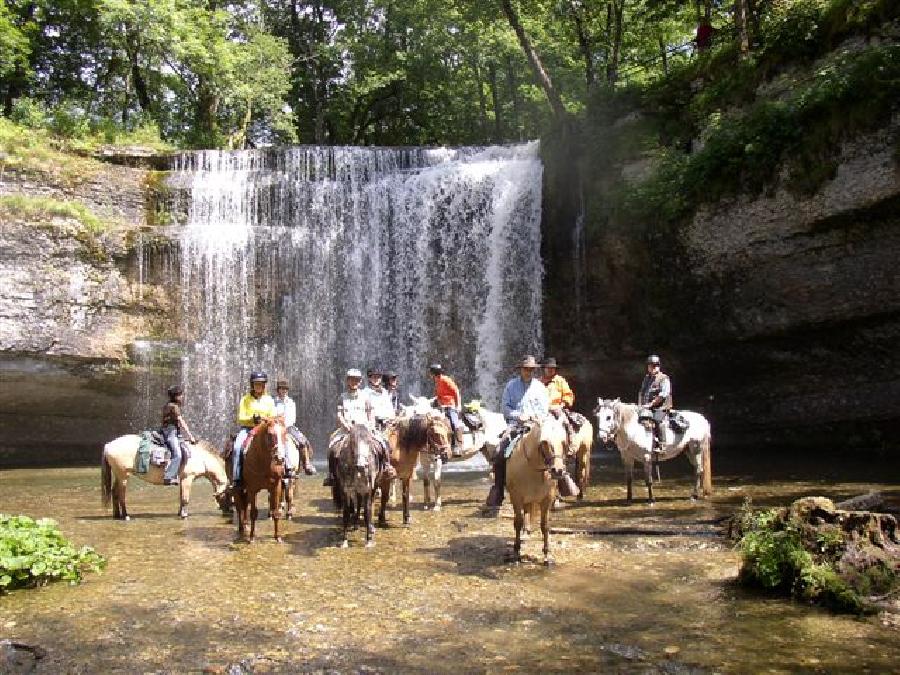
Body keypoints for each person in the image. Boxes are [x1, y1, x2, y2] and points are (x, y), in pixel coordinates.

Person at [485, 355, 550, 509]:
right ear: (521, 369)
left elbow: (544, 409)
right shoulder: (511, 386)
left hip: (536, 426)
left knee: (553, 450)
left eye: (532, 369)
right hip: (516, 425)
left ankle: (557, 485)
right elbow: (505, 408)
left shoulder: (540, 388)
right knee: (500, 452)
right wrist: (518, 416)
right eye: (526, 369)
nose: (529, 372)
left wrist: (535, 418)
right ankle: (498, 490)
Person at [323, 368, 396, 487]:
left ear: (360, 382)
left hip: (364, 429)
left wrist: (371, 426)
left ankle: (387, 467)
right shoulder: (342, 397)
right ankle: (331, 474)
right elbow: (339, 414)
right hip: (347, 429)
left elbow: (370, 413)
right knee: (332, 445)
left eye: (356, 380)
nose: (354, 382)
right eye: (352, 380)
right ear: (347, 381)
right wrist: (346, 425)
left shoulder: (365, 397)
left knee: (383, 442)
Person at [231, 371, 276, 488]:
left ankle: (285, 472)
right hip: (248, 428)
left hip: (264, 429)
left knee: (279, 445)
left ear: (264, 385)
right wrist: (252, 418)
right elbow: (241, 418)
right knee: (237, 448)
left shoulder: (269, 400)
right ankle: (237, 478)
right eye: (256, 384)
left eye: (261, 384)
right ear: (252, 385)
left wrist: (263, 419)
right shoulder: (245, 399)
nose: (258, 386)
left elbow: (273, 416)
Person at [274, 379, 313, 477]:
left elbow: (292, 418)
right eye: (281, 389)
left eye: (285, 389)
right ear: (278, 390)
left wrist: (284, 425)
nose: (283, 391)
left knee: (302, 441)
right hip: (276, 427)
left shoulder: (290, 402)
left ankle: (307, 463)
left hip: (289, 427)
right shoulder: (273, 402)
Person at [161, 385, 197, 485]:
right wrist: (190, 436)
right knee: (177, 454)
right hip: (171, 432)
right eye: (181, 395)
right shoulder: (173, 406)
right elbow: (181, 422)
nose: (182, 397)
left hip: (172, 431)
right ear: (176, 396)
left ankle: (179, 472)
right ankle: (169, 476)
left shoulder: (168, 405)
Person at [638, 354, 673, 452]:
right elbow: (641, 392)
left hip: (661, 407)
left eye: (655, 365)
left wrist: (651, 404)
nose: (653, 368)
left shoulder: (664, 378)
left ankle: (662, 445)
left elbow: (663, 394)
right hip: (647, 407)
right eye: (651, 365)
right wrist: (640, 405)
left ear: (659, 366)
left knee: (658, 420)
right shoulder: (646, 378)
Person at [429, 363, 464, 457]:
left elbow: (456, 391)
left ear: (433, 373)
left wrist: (458, 405)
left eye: (431, 373)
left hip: (450, 406)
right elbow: (439, 396)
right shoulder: (437, 382)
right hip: (442, 407)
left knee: (454, 423)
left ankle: (458, 446)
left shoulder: (445, 379)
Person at [541, 356, 575, 446]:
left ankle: (571, 442)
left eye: (553, 368)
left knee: (565, 421)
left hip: (557, 407)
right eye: (548, 368)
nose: (551, 370)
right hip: (542, 410)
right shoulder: (538, 382)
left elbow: (568, 394)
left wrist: (562, 405)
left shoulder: (560, 380)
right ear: (544, 368)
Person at [364, 366, 396, 430]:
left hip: (388, 425)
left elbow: (390, 410)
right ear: (369, 378)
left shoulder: (385, 392)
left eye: (378, 377)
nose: (376, 379)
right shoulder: (364, 393)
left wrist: (392, 420)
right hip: (373, 426)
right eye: (374, 377)